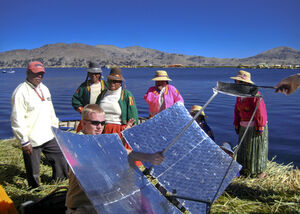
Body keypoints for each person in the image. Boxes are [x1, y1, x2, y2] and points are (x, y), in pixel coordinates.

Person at [66, 104, 164, 214]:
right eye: (95, 123)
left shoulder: (99, 140)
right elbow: (99, 155)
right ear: (83, 123)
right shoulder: (76, 143)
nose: (99, 127)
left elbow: (119, 151)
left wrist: (150, 157)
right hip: (81, 205)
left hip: (99, 201)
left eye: (103, 123)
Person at [10, 61, 68, 189]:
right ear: (28, 73)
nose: (39, 77)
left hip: (48, 134)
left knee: (60, 157)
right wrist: (24, 141)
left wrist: (55, 128)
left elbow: (51, 111)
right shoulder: (20, 92)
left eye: (41, 74)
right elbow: (16, 119)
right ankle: (35, 189)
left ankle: (59, 182)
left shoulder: (44, 88)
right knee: (33, 170)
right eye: (36, 74)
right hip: (32, 139)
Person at [230, 70, 268, 179]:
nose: (236, 84)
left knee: (255, 149)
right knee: (244, 149)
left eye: (239, 82)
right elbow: (236, 111)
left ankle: (258, 171)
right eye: (236, 82)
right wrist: (236, 124)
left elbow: (260, 111)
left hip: (255, 127)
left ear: (245, 83)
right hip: (243, 126)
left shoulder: (255, 95)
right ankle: (245, 169)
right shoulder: (239, 96)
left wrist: (260, 126)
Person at [99, 67, 138, 149]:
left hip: (118, 131)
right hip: (101, 129)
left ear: (120, 83)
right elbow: (95, 110)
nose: (112, 83)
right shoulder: (103, 94)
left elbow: (133, 117)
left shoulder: (126, 95)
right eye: (110, 80)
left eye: (115, 81)